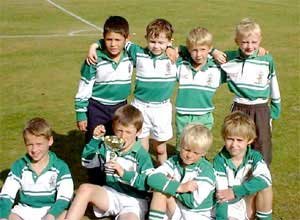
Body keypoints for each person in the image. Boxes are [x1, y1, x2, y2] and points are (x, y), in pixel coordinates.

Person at [87, 18, 177, 165]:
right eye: (152, 41)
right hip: (140, 106)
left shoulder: (174, 58)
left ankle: (164, 174)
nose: (156, 46)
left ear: (169, 41)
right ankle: (142, 174)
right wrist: (94, 45)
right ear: (146, 39)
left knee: (160, 149)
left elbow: (193, 50)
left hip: (161, 109)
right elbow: (116, 39)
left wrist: (170, 48)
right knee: (141, 147)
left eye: (161, 43)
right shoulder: (138, 52)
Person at [65, 104, 154, 220]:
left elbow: (149, 185)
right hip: (110, 194)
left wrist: (124, 174)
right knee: (84, 189)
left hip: (134, 202)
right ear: (113, 128)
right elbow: (87, 162)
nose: (123, 136)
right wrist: (95, 140)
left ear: (138, 132)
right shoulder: (108, 147)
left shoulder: (142, 155)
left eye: (128, 132)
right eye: (119, 130)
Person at [74, 16, 134, 184]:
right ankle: (95, 180)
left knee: (119, 141)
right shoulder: (94, 59)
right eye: (108, 39)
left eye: (117, 40)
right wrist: (81, 113)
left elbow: (151, 53)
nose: (113, 44)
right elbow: (84, 86)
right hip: (96, 107)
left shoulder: (131, 56)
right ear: (103, 38)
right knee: (95, 141)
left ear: (126, 40)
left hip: (120, 107)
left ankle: (116, 179)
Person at [220, 18, 281, 165]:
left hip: (260, 109)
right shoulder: (229, 58)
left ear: (260, 40)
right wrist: (214, 52)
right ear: (237, 41)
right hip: (239, 107)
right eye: (245, 42)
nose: (249, 46)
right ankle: (236, 172)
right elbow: (202, 52)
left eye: (254, 42)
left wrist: (274, 109)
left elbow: (273, 83)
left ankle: (261, 175)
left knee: (262, 143)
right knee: (236, 141)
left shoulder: (266, 59)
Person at [0, 118, 74, 220]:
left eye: (39, 144)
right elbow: (7, 195)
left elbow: (65, 197)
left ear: (50, 141)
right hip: (23, 211)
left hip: (50, 211)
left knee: (69, 214)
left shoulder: (61, 167)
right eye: (30, 145)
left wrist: (51, 215)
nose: (34, 150)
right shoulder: (19, 166)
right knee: (6, 215)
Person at [147, 124, 216, 220]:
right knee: (159, 191)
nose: (189, 155)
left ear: (204, 153)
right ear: (181, 145)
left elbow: (193, 202)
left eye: (196, 153)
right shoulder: (174, 160)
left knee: (162, 187)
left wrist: (171, 187)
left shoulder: (206, 171)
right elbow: (151, 178)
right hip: (177, 208)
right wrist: (180, 187)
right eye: (187, 149)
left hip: (198, 215)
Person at [174, 27, 226, 151]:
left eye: (203, 50)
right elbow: (168, 51)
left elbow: (239, 56)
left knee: (200, 148)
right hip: (183, 115)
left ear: (209, 49)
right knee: (182, 148)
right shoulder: (181, 64)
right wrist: (180, 49)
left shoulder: (216, 67)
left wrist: (214, 51)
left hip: (204, 116)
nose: (198, 55)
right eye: (194, 50)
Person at [213, 111, 273, 220]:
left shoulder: (255, 156)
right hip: (228, 206)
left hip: (246, 202)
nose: (234, 145)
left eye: (239, 140)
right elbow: (221, 195)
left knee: (266, 187)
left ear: (249, 140)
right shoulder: (219, 160)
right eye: (230, 139)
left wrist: (235, 191)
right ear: (224, 138)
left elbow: (266, 179)